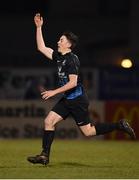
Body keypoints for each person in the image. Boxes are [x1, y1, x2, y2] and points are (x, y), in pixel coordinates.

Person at [27, 13, 136, 166]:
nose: (58, 41)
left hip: (77, 100)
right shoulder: (59, 56)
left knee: (88, 132)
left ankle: (119, 125)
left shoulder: (72, 60)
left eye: (61, 40)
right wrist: (38, 27)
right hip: (67, 99)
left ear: (69, 44)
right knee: (49, 121)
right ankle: (44, 156)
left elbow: (72, 83)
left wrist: (53, 92)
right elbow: (41, 47)